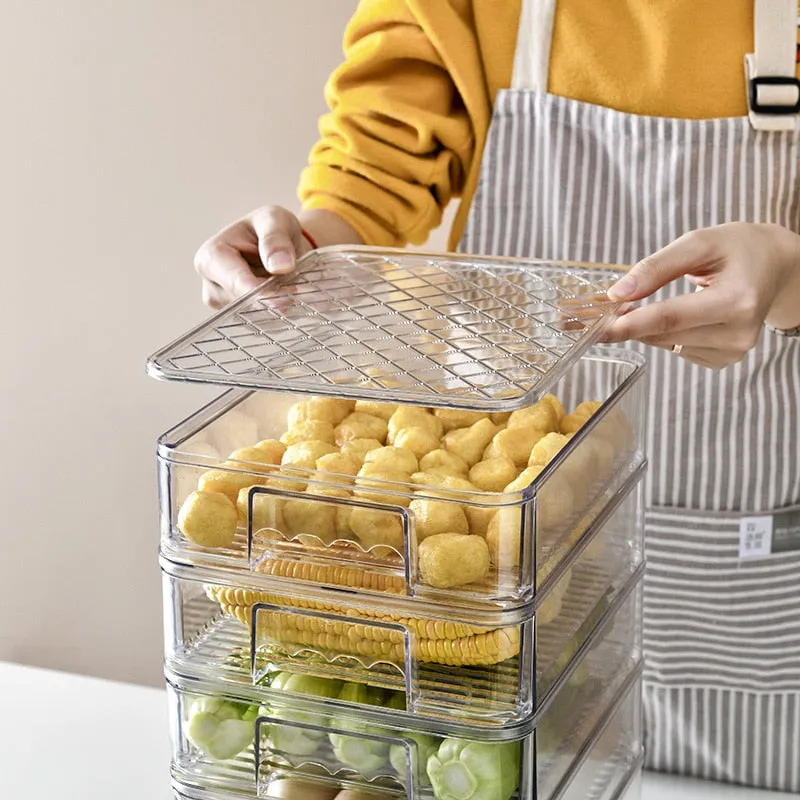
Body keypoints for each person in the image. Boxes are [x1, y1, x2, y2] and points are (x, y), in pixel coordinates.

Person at [194, 0, 800, 791]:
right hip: (490, 566)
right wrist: (299, 250)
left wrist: (790, 277)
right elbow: (383, 152)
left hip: (734, 561)